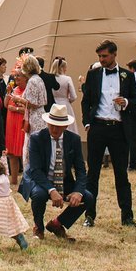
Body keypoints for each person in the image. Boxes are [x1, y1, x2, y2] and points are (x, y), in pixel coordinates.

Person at [81, 40, 136, 228]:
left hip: (118, 129)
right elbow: (86, 101)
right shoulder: (93, 74)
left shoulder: (127, 76)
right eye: (99, 56)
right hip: (97, 127)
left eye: (104, 56)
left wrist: (127, 102)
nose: (101, 59)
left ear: (114, 55)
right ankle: (89, 215)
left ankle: (127, 216)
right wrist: (87, 122)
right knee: (93, 173)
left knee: (121, 174)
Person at [21, 103, 93, 240]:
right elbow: (35, 170)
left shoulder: (74, 140)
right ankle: (38, 227)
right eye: (51, 125)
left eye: (58, 126)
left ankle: (57, 224)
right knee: (39, 195)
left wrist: (78, 192)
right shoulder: (36, 138)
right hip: (39, 180)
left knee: (88, 197)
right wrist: (52, 190)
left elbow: (81, 170)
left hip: (64, 180)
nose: (54, 129)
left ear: (65, 126)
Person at [3, 69, 28, 187]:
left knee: (23, 152)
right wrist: (8, 93)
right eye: (15, 76)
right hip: (11, 124)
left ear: (26, 78)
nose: (16, 78)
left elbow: (29, 110)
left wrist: (16, 109)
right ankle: (13, 180)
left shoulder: (27, 91)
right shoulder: (14, 90)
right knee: (12, 153)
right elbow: (5, 105)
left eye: (19, 76)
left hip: (21, 124)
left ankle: (25, 180)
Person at [51, 57, 79, 136]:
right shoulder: (67, 79)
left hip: (53, 104)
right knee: (68, 128)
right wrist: (68, 100)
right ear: (62, 68)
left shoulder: (51, 77)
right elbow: (73, 96)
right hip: (65, 104)